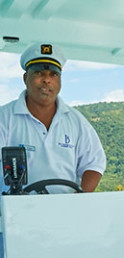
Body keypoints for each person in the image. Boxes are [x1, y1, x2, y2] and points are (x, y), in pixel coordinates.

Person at [0, 42, 106, 193]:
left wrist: (79, 199)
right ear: (25, 78)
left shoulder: (76, 121)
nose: (47, 80)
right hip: (15, 212)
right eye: (38, 73)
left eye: (53, 74)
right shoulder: (4, 117)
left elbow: (94, 164)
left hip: (66, 211)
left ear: (60, 80)